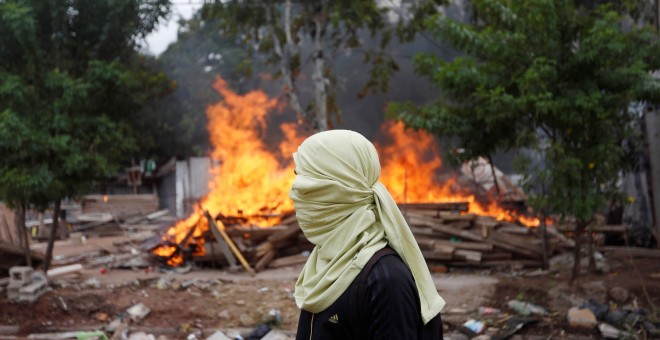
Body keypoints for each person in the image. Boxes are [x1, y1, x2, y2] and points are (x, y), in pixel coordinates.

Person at [289, 129, 445, 340]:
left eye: (308, 183)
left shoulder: (385, 280)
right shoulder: (325, 262)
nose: (294, 191)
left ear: (342, 189)